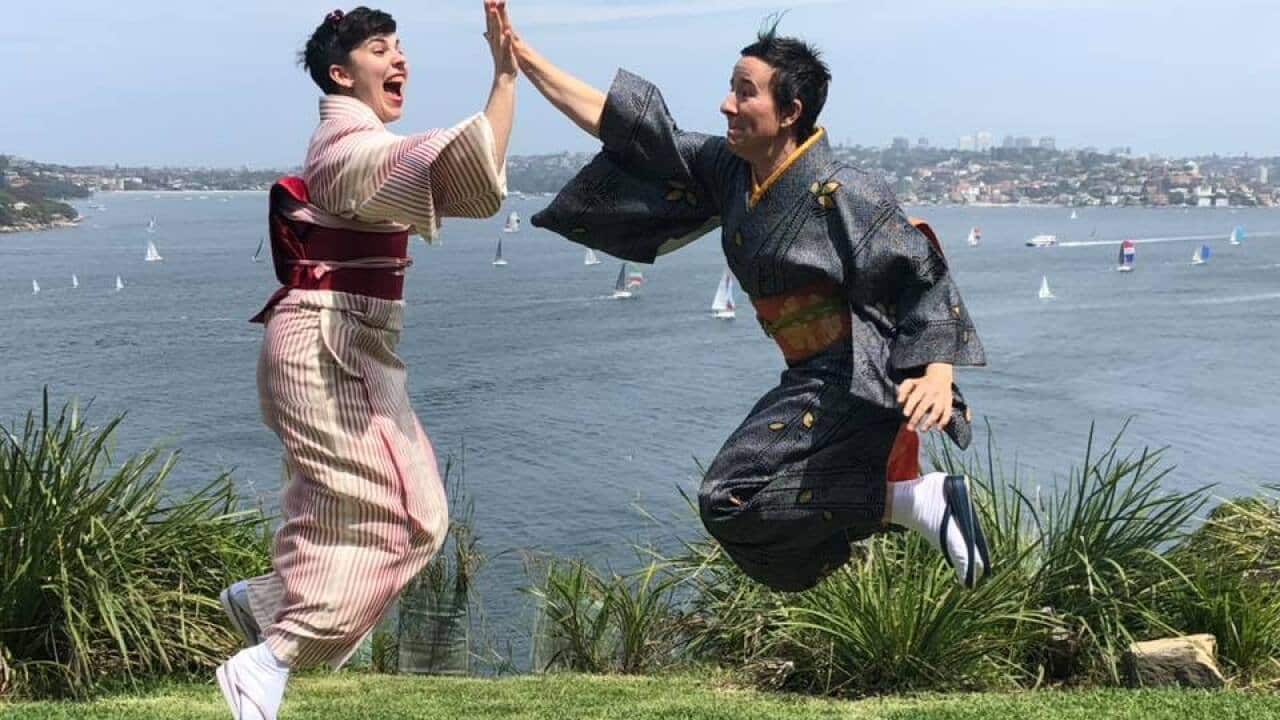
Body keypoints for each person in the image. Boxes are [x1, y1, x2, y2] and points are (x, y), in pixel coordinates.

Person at [513, 22, 991, 593]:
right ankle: (910, 503)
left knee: (728, 496)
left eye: (745, 91)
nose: (726, 104)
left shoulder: (844, 191)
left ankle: (919, 501)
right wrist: (521, 57)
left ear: (789, 112)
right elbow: (633, 128)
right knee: (734, 504)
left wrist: (938, 372)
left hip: (856, 377)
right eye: (730, 87)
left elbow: (921, 272)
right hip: (808, 375)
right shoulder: (729, 172)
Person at [214, 5, 516, 718]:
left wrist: (505, 76)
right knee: (407, 519)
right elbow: (448, 174)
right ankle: (271, 656)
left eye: (400, 46)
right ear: (341, 74)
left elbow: (460, 182)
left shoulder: (352, 141)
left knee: (387, 512)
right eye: (382, 48)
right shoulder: (344, 147)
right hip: (329, 344)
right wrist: (504, 76)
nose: (400, 58)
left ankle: (265, 607)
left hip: (344, 343)